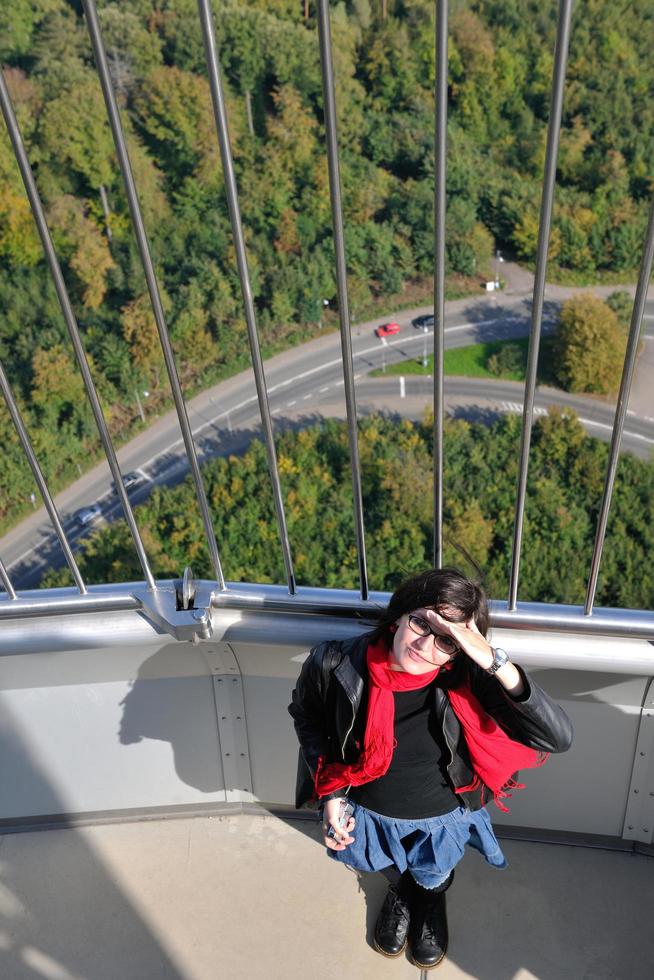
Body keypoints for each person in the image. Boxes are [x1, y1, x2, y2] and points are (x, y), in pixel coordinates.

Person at [288, 567, 573, 969]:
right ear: (399, 617)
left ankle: (428, 899)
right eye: (421, 622)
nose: (426, 645)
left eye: (447, 640)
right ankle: (403, 893)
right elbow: (308, 717)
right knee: (383, 862)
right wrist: (332, 794)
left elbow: (556, 738)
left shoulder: (469, 680)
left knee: (433, 868)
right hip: (367, 808)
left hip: (442, 815)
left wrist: (493, 661)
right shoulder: (335, 662)